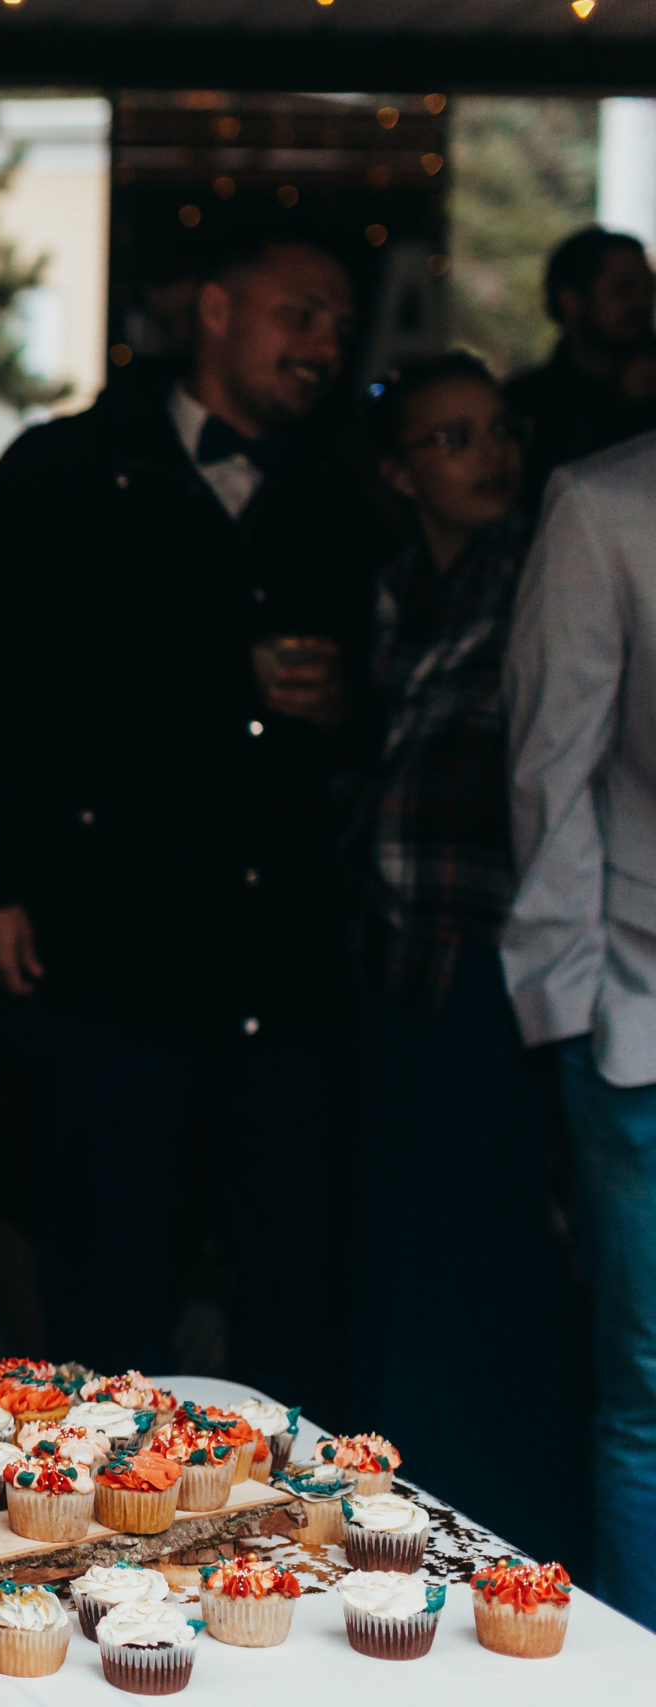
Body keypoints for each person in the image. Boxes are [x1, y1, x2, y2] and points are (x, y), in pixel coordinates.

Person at [0, 229, 386, 1410]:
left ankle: (284, 1558)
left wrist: (344, 709)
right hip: (105, 949)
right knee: (110, 1294)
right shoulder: (63, 468)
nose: (327, 345)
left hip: (278, 968)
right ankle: (88, 1566)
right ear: (217, 311)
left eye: (341, 324)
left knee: (293, 1297)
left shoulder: (341, 488)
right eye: (301, 313)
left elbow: (398, 704)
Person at [346, 354, 582, 1564]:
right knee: (400, 1256)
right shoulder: (388, 592)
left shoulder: (537, 575)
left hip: (498, 958)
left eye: (496, 431)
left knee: (487, 1263)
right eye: (450, 439)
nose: (486, 456)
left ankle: (500, 1542)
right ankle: (409, 1529)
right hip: (396, 966)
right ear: (397, 473)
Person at [502, 424, 656, 1629]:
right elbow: (553, 771)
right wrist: (570, 1025)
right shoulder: (604, 505)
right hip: (642, 1029)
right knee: (648, 1399)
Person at [505, 228, 656, 515]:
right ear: (571, 300)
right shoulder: (527, 401)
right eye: (623, 289)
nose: (642, 303)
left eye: (649, 289)